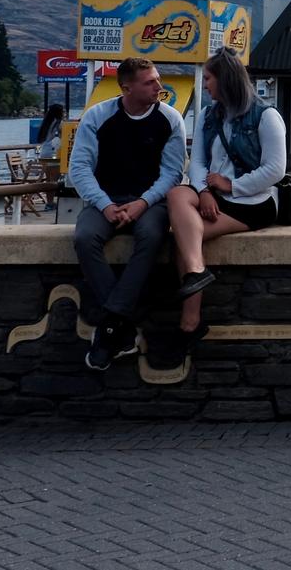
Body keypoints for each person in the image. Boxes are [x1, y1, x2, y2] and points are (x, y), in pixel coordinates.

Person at [164, 49, 287, 357]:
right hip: (214, 194)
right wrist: (204, 190)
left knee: (185, 236)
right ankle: (195, 272)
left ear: (225, 79)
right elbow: (199, 161)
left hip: (252, 202)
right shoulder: (208, 115)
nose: (205, 85)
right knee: (178, 194)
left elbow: (275, 168)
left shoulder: (266, 116)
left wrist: (233, 185)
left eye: (208, 78)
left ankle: (189, 323)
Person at [66, 57, 186, 371]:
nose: (159, 87)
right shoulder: (98, 117)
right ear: (126, 87)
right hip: (105, 199)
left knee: (151, 236)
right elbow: (79, 168)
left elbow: (173, 173)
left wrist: (143, 203)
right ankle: (122, 326)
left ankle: (109, 327)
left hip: (151, 201)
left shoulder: (170, 119)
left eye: (157, 79)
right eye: (150, 82)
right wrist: (104, 204)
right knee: (84, 237)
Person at [35, 102, 67, 180]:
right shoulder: (59, 123)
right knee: (55, 182)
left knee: (49, 181)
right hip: (54, 155)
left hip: (44, 153)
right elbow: (64, 137)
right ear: (59, 113)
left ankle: (48, 192)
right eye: (63, 111)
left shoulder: (47, 123)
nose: (65, 113)